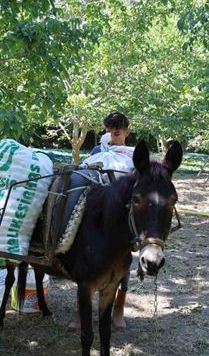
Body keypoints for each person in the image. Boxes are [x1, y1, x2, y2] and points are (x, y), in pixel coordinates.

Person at [72, 111, 131, 329]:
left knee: (123, 260)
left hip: (121, 217)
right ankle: (80, 312)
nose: (112, 138)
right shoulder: (98, 151)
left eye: (116, 134)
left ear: (127, 132)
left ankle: (118, 309)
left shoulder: (132, 156)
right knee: (85, 260)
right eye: (108, 133)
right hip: (98, 213)